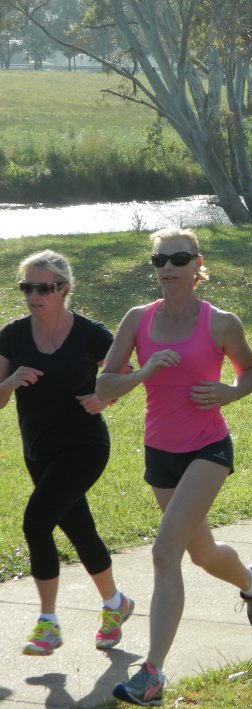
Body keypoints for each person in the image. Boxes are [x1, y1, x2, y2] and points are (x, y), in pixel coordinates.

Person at [98, 228, 252, 706]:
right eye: (159, 260)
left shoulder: (221, 322)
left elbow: (250, 371)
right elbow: (106, 384)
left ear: (197, 264)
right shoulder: (137, 319)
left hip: (208, 449)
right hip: (160, 452)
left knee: (164, 552)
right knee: (202, 553)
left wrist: (231, 392)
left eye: (178, 259)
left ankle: (151, 674)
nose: (167, 268)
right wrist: (145, 372)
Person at [1, 251, 133, 657]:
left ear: (64, 288)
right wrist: (11, 381)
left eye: (44, 288)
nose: (34, 295)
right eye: (27, 287)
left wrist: (101, 397)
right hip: (38, 450)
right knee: (79, 529)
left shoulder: (90, 334)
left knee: (36, 523)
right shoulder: (13, 335)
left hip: (85, 446)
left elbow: (125, 375)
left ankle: (48, 623)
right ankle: (116, 604)